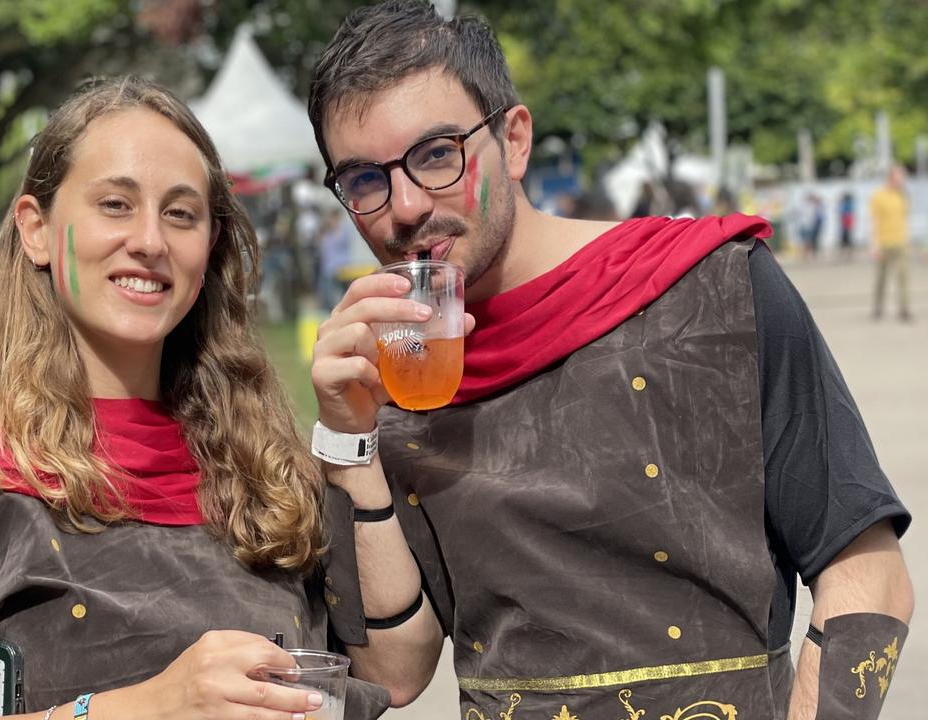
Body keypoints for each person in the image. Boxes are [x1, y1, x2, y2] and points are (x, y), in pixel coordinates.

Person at [304, 3, 913, 719]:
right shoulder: (398, 371)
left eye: (437, 154)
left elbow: (866, 572)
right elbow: (396, 674)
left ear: (515, 139)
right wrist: (348, 440)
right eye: (364, 180)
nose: (403, 206)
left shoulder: (714, 290)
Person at [0, 76, 389, 720]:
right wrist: (148, 707)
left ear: (208, 246)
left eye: (180, 214)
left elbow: (384, 676)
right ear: (36, 230)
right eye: (115, 205)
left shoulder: (266, 469)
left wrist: (353, 436)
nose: (151, 241)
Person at [870, 166, 913, 322]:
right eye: (900, 178)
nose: (902, 181)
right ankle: (878, 307)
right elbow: (874, 221)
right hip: (883, 243)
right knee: (882, 277)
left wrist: (907, 240)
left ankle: (904, 309)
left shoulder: (902, 196)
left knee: (903, 277)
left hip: (900, 242)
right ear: (891, 178)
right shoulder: (878, 196)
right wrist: (874, 244)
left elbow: (905, 219)